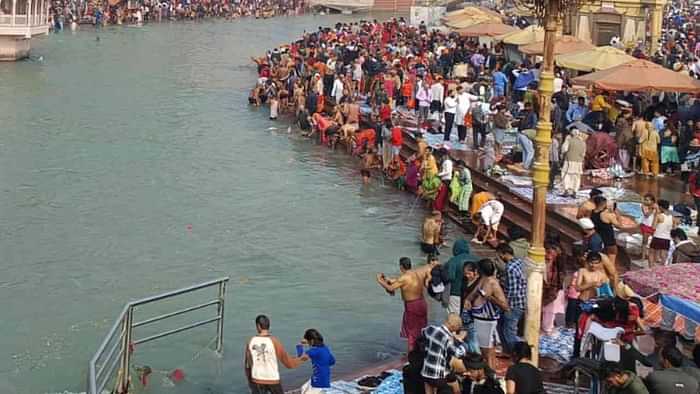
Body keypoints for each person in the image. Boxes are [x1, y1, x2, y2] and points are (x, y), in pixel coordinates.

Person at [377, 257, 433, 352]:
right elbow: (397, 281)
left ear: (401, 267)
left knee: (412, 332)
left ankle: (411, 356)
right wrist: (386, 279)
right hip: (422, 303)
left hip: (412, 306)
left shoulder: (404, 277)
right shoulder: (416, 273)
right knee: (421, 330)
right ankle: (421, 351)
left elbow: (391, 288)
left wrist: (380, 280)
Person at [464, 259, 509, 370]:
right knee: (482, 351)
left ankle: (491, 376)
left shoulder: (493, 283)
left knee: (487, 352)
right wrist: (468, 300)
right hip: (478, 321)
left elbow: (505, 306)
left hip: (488, 322)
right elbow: (473, 294)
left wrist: (489, 297)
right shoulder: (482, 280)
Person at [245, 315, 307, 394]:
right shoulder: (274, 341)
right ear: (268, 326)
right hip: (273, 380)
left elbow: (247, 366)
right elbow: (289, 364)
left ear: (258, 326)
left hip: (256, 379)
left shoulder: (251, 341)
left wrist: (250, 382)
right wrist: (303, 358)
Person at [420, 313, 468, 394]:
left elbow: (423, 332)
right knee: (454, 387)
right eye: (457, 328)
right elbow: (459, 354)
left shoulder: (431, 329)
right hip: (438, 376)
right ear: (453, 327)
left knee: (429, 389)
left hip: (425, 372)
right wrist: (462, 343)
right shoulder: (447, 339)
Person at [496, 243, 527, 357]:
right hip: (522, 301)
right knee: (506, 327)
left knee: (509, 330)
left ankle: (513, 352)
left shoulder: (510, 268)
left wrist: (506, 305)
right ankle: (508, 351)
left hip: (514, 304)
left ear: (504, 254)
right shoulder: (520, 262)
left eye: (499, 255)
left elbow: (513, 291)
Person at [445, 239, 479, 314]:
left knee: (454, 316)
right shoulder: (477, 259)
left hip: (455, 293)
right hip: (473, 294)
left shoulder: (453, 261)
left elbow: (450, 276)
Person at [299, 329, 335, 394]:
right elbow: (332, 361)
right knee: (303, 388)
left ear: (312, 341)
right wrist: (322, 363)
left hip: (318, 382)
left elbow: (301, 357)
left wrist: (300, 345)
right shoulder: (325, 348)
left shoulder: (314, 351)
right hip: (324, 379)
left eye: (307, 340)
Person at [649, 199, 677, 267]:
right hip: (667, 239)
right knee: (663, 255)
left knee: (651, 253)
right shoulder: (673, 218)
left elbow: (653, 227)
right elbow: (674, 229)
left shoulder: (659, 216)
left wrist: (655, 214)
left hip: (657, 237)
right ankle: (662, 269)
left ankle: (651, 268)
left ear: (660, 207)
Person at [560, 129, 587, 197]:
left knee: (566, 175)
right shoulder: (583, 142)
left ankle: (566, 190)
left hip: (569, 161)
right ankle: (575, 191)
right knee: (576, 177)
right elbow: (583, 154)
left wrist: (566, 140)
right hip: (579, 162)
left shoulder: (569, 140)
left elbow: (564, 149)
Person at [640, 194, 658, 260]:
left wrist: (656, 209)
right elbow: (646, 215)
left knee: (655, 242)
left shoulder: (656, 206)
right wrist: (652, 209)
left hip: (653, 225)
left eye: (648, 200)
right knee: (645, 241)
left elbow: (658, 214)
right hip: (645, 225)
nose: (646, 201)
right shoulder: (643, 206)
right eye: (645, 200)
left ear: (652, 201)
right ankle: (643, 257)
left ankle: (655, 257)